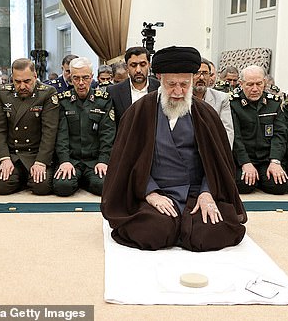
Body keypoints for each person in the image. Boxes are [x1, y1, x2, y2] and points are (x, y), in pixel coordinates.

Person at [102, 46, 246, 252]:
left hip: (195, 193)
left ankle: (184, 224)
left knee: (210, 232)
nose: (178, 92)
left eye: (184, 84)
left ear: (192, 81)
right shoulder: (139, 112)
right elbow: (127, 162)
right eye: (172, 84)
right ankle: (175, 225)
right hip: (155, 191)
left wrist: (207, 193)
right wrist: (150, 193)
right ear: (160, 79)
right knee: (153, 231)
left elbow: (218, 162)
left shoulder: (205, 114)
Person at [0, 58, 60, 195]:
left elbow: (49, 131)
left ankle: (26, 177)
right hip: (13, 154)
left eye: (27, 81)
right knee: (1, 187)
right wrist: (4, 158)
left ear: (35, 76)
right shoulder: (2, 93)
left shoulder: (47, 93)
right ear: (12, 79)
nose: (22, 86)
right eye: (17, 82)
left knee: (42, 187)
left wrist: (41, 162)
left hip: (36, 153)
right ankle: (20, 176)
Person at [53, 57, 116, 196]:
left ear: (92, 77)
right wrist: (64, 161)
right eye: (76, 78)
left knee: (103, 186)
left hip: (94, 161)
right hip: (72, 159)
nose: (81, 83)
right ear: (70, 78)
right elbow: (61, 136)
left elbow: (108, 134)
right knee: (63, 187)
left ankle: (85, 179)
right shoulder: (63, 101)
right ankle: (78, 178)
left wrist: (103, 161)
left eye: (85, 78)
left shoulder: (103, 100)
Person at [230, 65, 288, 195]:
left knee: (279, 186)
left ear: (264, 83)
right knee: (243, 186)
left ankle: (261, 177)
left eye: (259, 84)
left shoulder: (274, 103)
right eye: (250, 84)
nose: (255, 89)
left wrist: (275, 161)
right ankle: (255, 178)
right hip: (244, 158)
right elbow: (236, 138)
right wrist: (245, 163)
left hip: (266, 158)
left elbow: (280, 134)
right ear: (241, 84)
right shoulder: (233, 104)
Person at [107, 47, 160, 126]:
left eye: (142, 64)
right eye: (133, 65)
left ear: (149, 65)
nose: (138, 70)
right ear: (127, 67)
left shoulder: (159, 88)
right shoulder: (114, 91)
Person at [192, 57, 234, 148]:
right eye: (197, 73)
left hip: (213, 149)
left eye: (205, 73)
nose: (201, 77)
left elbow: (227, 132)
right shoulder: (181, 98)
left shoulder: (222, 98)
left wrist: (222, 156)